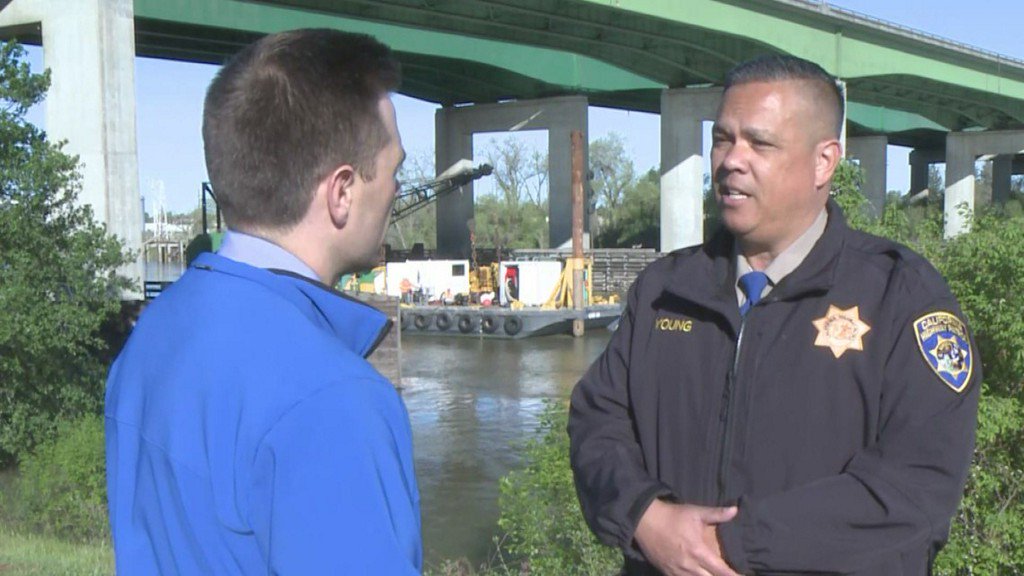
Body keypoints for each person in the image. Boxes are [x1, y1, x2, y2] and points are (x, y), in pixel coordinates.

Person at [568, 55, 980, 576]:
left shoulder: (902, 297)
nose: (731, 160)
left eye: (759, 144)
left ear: (824, 162)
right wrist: (646, 517)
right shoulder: (666, 290)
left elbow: (915, 491)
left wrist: (730, 545)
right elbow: (596, 423)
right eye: (723, 139)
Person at [105, 29, 420, 574]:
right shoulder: (335, 399)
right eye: (394, 170)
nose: (396, 189)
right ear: (341, 191)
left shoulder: (154, 333)